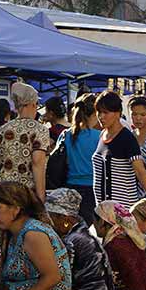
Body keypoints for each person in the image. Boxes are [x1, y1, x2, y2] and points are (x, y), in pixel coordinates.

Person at [46, 188, 120, 290]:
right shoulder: (82, 235)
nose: (48, 223)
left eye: (51, 218)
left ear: (66, 220)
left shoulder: (72, 241)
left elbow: (60, 283)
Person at [0, 82, 49, 200]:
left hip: (2, 192)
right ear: (33, 104)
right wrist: (41, 197)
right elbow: (37, 163)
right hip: (25, 195)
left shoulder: (2, 130)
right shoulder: (40, 130)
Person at [92, 91, 146, 206]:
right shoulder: (102, 135)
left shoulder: (126, 138)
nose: (101, 117)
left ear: (118, 113)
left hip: (123, 211)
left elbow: (140, 172)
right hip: (103, 211)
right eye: (99, 112)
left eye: (105, 112)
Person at [61, 93, 101, 226]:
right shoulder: (99, 136)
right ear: (94, 114)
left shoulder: (66, 134)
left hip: (70, 186)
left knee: (72, 227)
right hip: (92, 188)